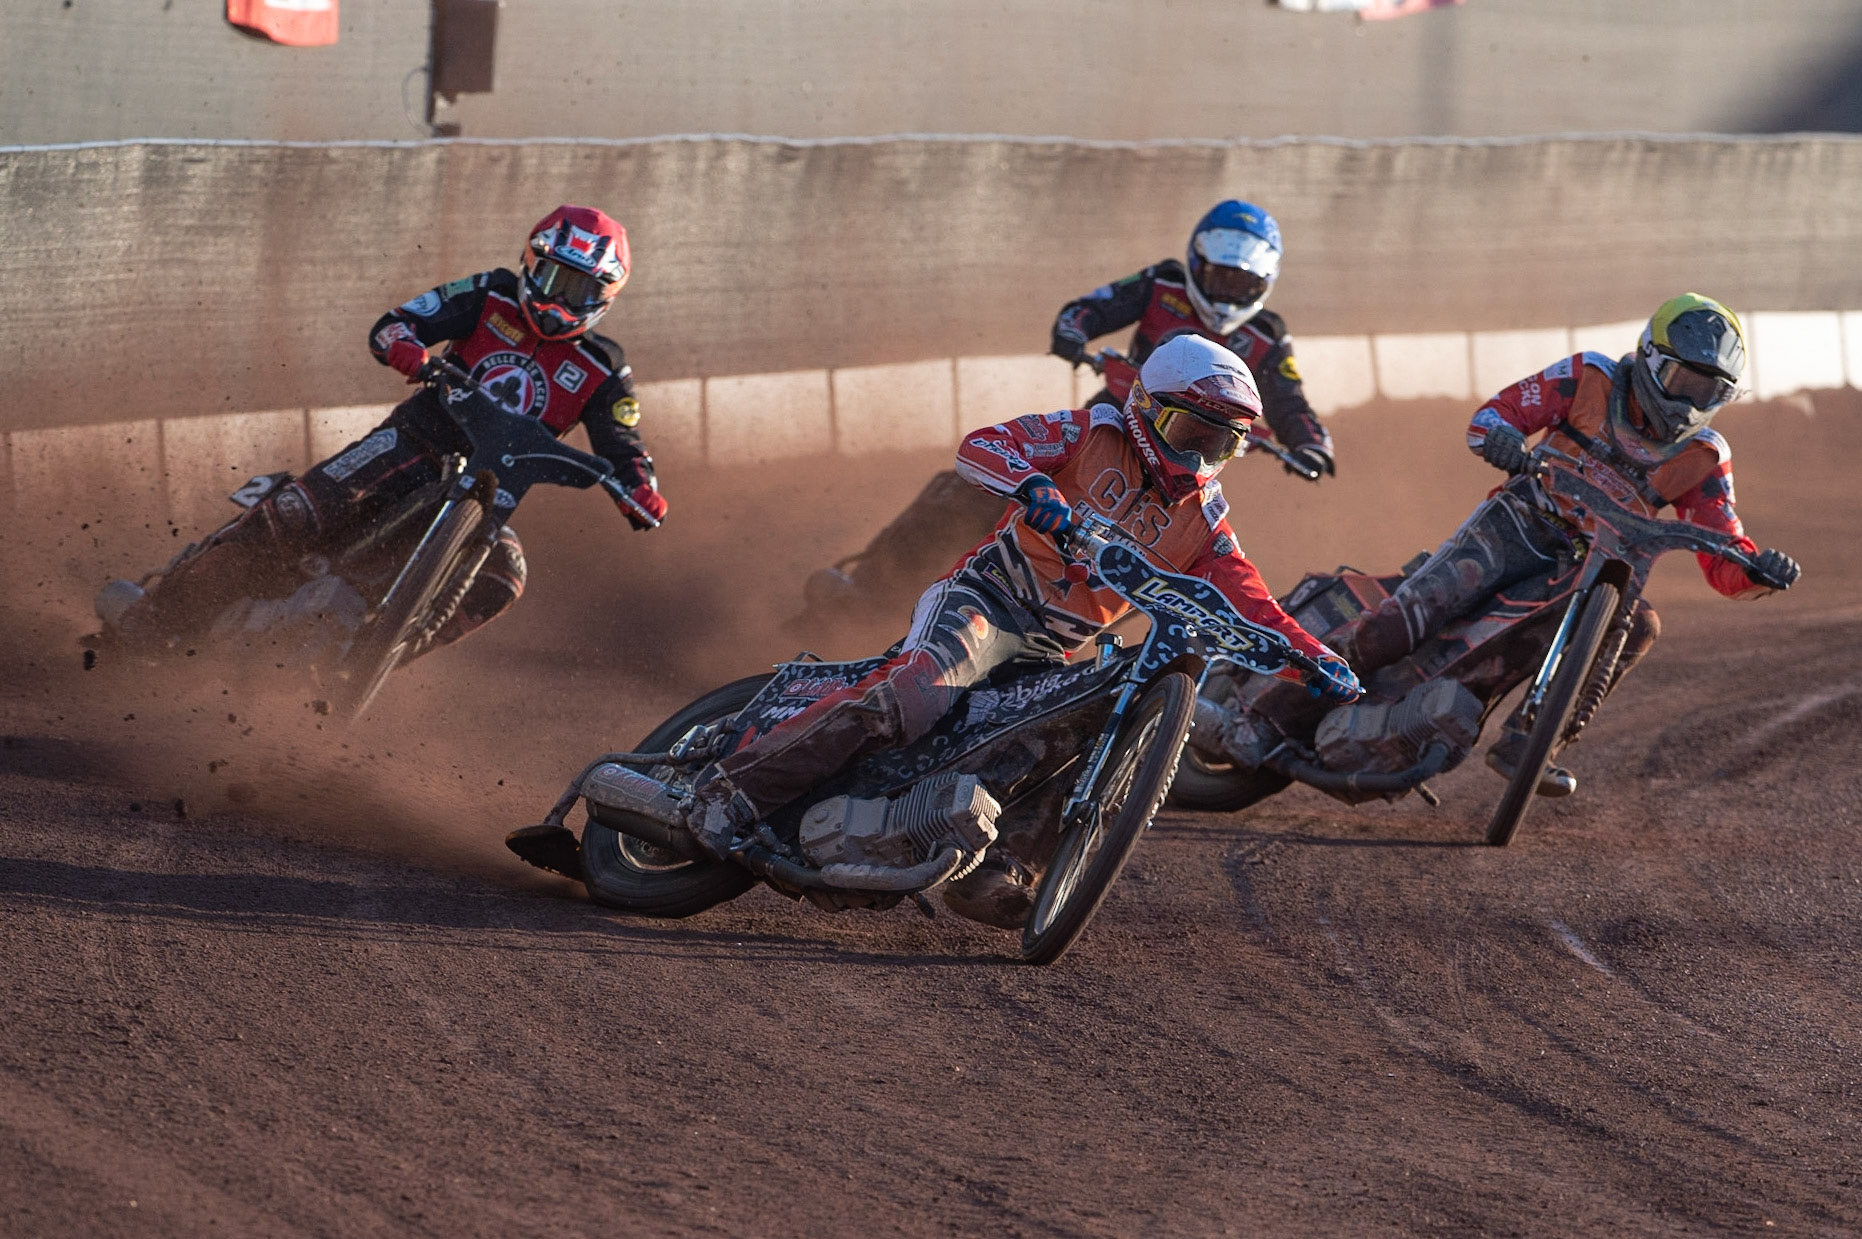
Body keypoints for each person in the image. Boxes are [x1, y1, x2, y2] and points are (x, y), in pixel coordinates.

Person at [691, 335, 1359, 928]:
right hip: (988, 598)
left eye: (1222, 444)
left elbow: (1257, 607)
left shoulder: (1207, 522)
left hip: (1053, 649)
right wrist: (1031, 483)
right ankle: (734, 790)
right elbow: (983, 445)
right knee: (917, 693)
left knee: (1076, 736)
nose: (1201, 456)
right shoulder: (1090, 431)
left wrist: (1320, 658)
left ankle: (1002, 870)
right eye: (1192, 433)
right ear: (1149, 410)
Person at [99, 205, 668, 655]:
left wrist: (640, 489)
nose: (560, 300)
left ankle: (376, 660)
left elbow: (624, 445)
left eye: (579, 291)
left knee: (504, 578)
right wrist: (404, 347)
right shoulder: (491, 293)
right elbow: (400, 322)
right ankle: (159, 614)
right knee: (296, 512)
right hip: (417, 441)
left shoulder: (603, 364)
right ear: (530, 262)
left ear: (604, 299)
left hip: (494, 492)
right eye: (552, 278)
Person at [1332, 293, 1800, 796]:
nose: (1689, 402)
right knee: (1414, 614)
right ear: (1650, 358)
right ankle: (1301, 681)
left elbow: (1721, 546)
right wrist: (1502, 438)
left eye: (1707, 392)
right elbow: (1496, 414)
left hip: (1592, 568)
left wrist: (1755, 570)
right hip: (1517, 523)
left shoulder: (1703, 454)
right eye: (1682, 383)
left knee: (1639, 622)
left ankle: (1536, 742)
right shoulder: (1590, 376)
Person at [798, 199, 1335, 629]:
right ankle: (868, 587)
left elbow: (1290, 400)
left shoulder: (1266, 335)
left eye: (1246, 285)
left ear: (1267, 284)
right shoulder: (1164, 282)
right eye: (1221, 277)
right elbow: (1089, 308)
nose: (1230, 294)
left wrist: (1312, 444)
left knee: (1161, 567)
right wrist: (1072, 334)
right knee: (972, 487)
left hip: (1188, 471)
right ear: (1196, 262)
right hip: (1109, 425)